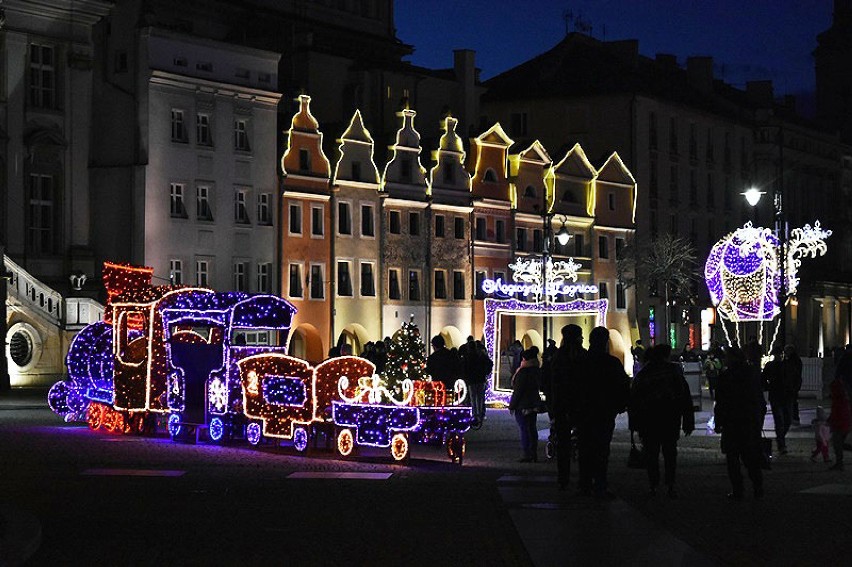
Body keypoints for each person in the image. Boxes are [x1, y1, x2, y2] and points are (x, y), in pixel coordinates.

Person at [629, 344, 694, 498]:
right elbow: (684, 396)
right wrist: (688, 420)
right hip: (669, 418)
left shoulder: (644, 373)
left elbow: (634, 399)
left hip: (649, 420)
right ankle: (670, 484)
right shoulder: (673, 372)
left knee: (651, 453)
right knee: (670, 453)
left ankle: (653, 485)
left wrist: (634, 423)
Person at [575, 326, 629, 498]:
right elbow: (622, 386)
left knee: (584, 449)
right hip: (604, 412)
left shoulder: (581, 362)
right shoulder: (611, 363)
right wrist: (620, 405)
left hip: (584, 411)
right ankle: (600, 485)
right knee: (602, 450)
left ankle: (584, 484)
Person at [714, 346, 766, 500]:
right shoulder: (751, 374)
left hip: (732, 421)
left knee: (733, 458)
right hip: (748, 421)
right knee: (750, 458)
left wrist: (719, 421)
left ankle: (738, 489)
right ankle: (757, 487)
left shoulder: (726, 375)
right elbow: (758, 399)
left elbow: (721, 401)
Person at [548, 324, 587, 490]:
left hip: (562, 406)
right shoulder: (584, 356)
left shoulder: (557, 357)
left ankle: (563, 478)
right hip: (583, 406)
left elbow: (550, 383)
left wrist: (552, 406)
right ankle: (585, 480)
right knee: (585, 444)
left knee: (563, 444)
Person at [508, 347, 542, 462]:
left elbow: (518, 391)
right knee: (532, 428)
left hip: (523, 405)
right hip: (533, 403)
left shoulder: (523, 372)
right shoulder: (536, 370)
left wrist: (512, 405)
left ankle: (526, 454)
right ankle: (533, 453)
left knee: (524, 429)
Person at [763, 344, 794, 454]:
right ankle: (781, 443)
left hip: (783, 395)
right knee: (780, 420)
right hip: (778, 395)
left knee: (786, 420)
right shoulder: (772, 366)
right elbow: (764, 379)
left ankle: (780, 439)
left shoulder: (785, 365)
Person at [460, 336, 491, 426]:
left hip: (471, 380)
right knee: (480, 397)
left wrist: (465, 376)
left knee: (473, 397)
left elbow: (464, 368)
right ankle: (481, 414)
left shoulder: (467, 356)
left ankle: (475, 415)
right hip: (480, 378)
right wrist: (486, 373)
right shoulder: (481, 355)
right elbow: (489, 363)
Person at [827, 376, 851, 471]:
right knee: (841, 444)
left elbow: (837, 414)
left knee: (838, 444)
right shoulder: (843, 399)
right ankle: (839, 463)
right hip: (844, 424)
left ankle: (839, 463)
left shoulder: (838, 400)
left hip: (840, 425)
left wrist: (831, 422)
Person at [784, 345, 803, 424]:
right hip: (795, 383)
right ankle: (794, 417)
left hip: (792, 383)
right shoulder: (796, 360)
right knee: (793, 400)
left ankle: (793, 417)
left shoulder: (791, 361)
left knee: (791, 401)